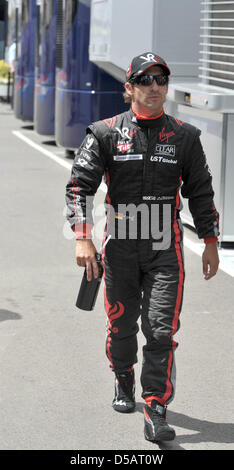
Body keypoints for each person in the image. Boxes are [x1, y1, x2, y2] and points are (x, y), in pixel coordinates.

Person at [65, 52, 220, 442]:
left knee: (161, 330)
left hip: (165, 249)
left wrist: (211, 242)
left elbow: (201, 193)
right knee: (121, 328)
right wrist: (83, 237)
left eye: (161, 80)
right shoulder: (104, 132)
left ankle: (155, 407)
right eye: (146, 80)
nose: (155, 88)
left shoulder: (185, 136)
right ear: (128, 88)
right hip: (119, 249)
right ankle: (122, 378)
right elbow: (78, 186)